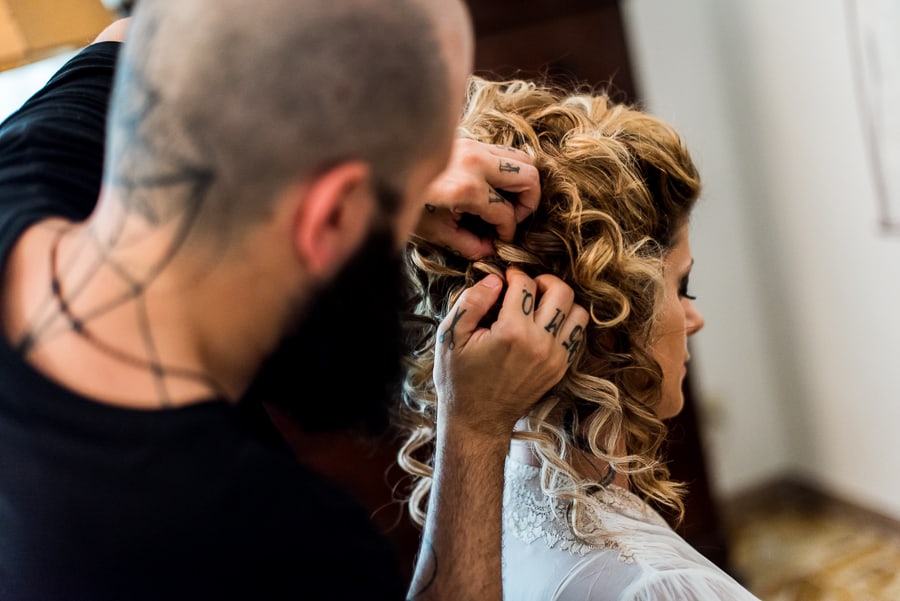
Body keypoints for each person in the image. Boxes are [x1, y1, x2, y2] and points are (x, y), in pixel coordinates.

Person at [0, 2, 589, 600]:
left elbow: (145, 39)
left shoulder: (26, 166)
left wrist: (387, 165)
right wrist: (479, 429)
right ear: (331, 213)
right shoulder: (263, 546)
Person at [397, 75, 764, 600]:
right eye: (682, 286)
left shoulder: (482, 504)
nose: (693, 318)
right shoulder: (659, 587)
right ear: (613, 316)